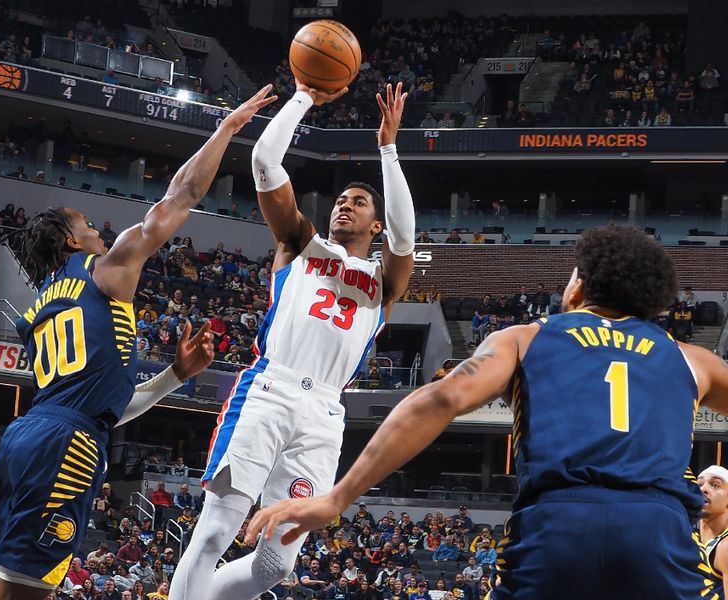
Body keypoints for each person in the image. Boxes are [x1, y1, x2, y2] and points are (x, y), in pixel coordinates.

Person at [248, 223, 728, 599]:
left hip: (557, 525)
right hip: (659, 533)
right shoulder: (693, 359)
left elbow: (439, 399)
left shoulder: (527, 337)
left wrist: (338, 498)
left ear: (578, 286)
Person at [0, 86, 275, 600]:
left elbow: (101, 410)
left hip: (28, 436)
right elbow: (180, 197)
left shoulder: (38, 313)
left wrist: (173, 377)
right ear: (72, 242)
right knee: (26, 594)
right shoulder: (104, 270)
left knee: (18, 585)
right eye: (87, 225)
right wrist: (227, 129)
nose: (98, 229)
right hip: (63, 445)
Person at [170, 82, 415, 600]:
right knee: (216, 530)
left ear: (376, 222)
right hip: (271, 388)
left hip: (325, 413)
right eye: (342, 200)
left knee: (274, 568)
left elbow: (405, 237)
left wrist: (388, 150)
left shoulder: (385, 282)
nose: (346, 205)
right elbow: (265, 162)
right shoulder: (300, 243)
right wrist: (303, 95)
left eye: (360, 202)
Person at [698, 465, 728, 599]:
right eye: (699, 484)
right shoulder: (684, 528)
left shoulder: (725, 547)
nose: (703, 489)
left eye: (715, 485)